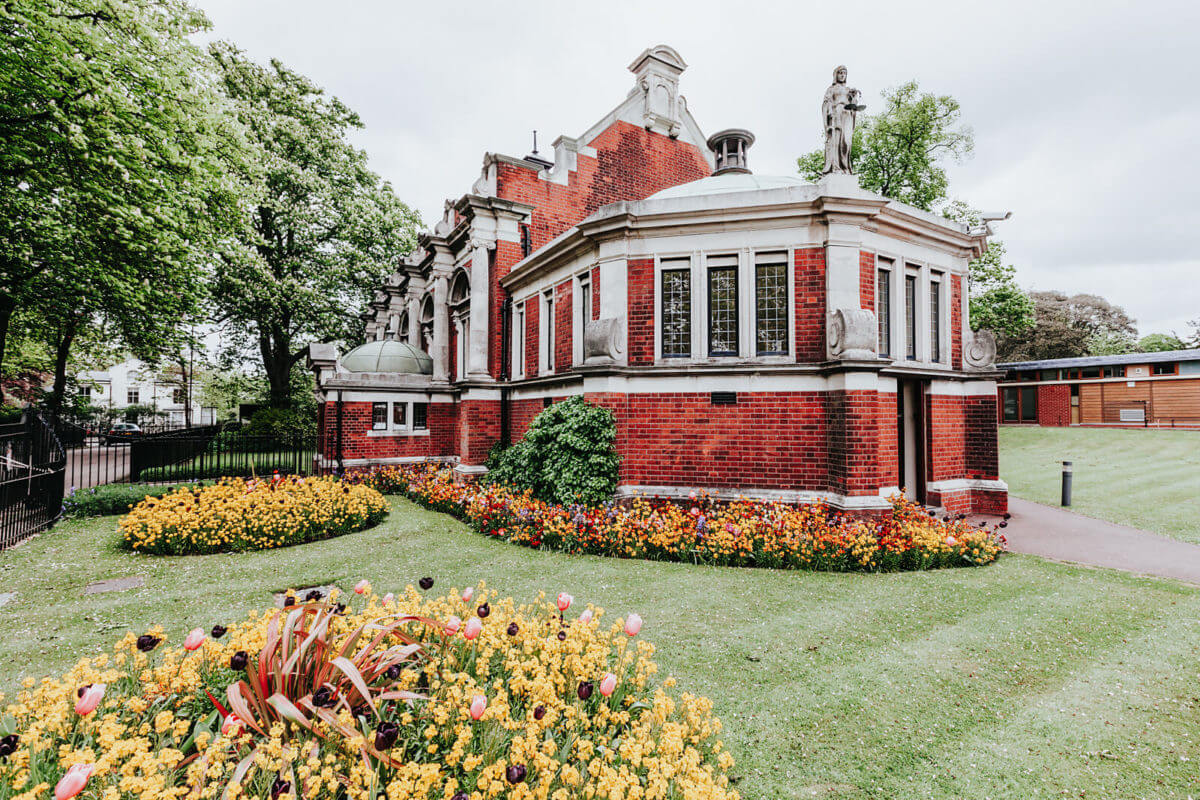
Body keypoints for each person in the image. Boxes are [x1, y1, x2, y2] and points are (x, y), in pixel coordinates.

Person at [822, 65, 863, 174]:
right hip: (837, 114)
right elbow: (827, 102)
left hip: (847, 115)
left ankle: (845, 167)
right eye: (840, 73)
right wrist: (830, 111)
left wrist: (854, 97)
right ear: (836, 75)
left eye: (844, 73)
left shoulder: (848, 90)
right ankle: (836, 167)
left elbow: (853, 104)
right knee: (836, 141)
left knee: (847, 142)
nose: (842, 75)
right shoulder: (831, 89)